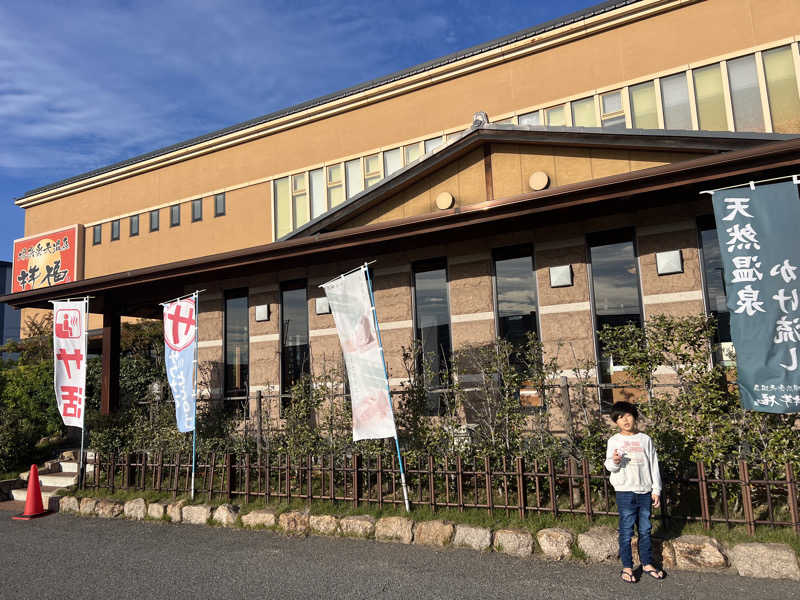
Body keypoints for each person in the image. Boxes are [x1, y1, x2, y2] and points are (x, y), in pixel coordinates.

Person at [604, 401, 665, 583]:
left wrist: (656, 489)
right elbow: (609, 466)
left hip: (645, 490)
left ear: (635, 417)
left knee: (645, 530)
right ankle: (627, 567)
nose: (625, 420)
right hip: (625, 491)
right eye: (620, 417)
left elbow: (654, 465)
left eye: (628, 415)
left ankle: (647, 563)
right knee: (626, 531)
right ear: (616, 422)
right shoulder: (614, 441)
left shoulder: (645, 439)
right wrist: (614, 461)